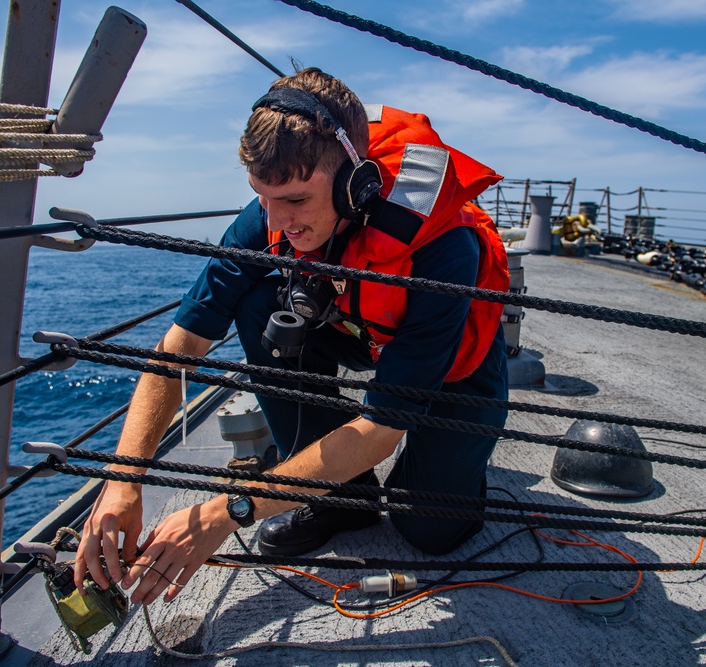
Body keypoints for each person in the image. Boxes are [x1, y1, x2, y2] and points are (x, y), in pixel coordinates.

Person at [74, 68, 510, 606]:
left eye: (297, 201)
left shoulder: (444, 248)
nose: (279, 221)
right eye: (263, 197)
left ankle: (460, 462)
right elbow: (178, 349)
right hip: (362, 327)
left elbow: (380, 430)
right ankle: (338, 499)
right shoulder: (269, 215)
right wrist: (123, 479)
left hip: (456, 363)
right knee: (259, 304)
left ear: (357, 184)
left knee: (430, 531)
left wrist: (227, 511)